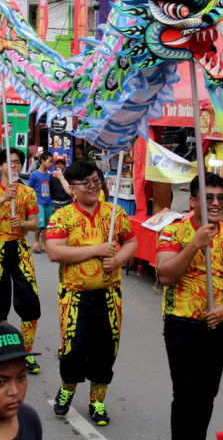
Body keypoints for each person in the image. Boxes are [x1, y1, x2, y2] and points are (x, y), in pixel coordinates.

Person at [156, 172, 223, 440]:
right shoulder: (174, 231)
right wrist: (195, 244)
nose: (216, 203)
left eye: (221, 198)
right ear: (193, 201)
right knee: (185, 394)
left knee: (207, 394)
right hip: (181, 324)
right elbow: (165, 275)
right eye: (209, 198)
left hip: (217, 327)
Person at [45, 161, 138, 426]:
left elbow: (131, 241)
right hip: (74, 296)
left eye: (96, 181)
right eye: (86, 183)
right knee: (73, 349)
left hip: (109, 295)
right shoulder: (62, 217)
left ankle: (97, 401)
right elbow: (55, 252)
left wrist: (118, 259)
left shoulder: (114, 212)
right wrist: (97, 250)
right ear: (72, 189)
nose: (93, 187)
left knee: (106, 350)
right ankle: (67, 389)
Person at [0, 148, 41, 374]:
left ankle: (26, 353)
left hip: (20, 249)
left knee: (30, 302)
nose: (13, 167)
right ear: (0, 166)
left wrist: (22, 224)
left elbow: (35, 223)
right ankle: (1, 353)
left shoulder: (28, 192)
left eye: (17, 163)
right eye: (9, 163)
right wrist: (3, 198)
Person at [27, 151, 53, 253]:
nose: (51, 164)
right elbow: (29, 189)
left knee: (46, 225)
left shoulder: (49, 175)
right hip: (38, 202)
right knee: (39, 224)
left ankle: (43, 244)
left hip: (48, 202)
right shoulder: (34, 175)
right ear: (42, 161)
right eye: (49, 161)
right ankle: (36, 241)